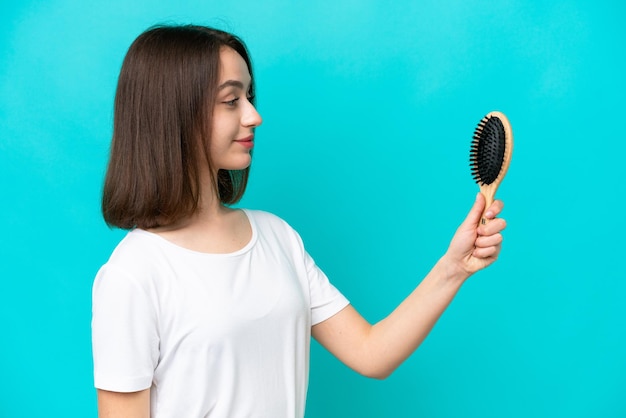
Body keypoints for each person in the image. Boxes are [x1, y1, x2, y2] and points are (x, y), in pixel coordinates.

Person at [92, 24, 507, 418]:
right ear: (175, 113)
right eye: (231, 100)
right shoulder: (133, 274)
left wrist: (454, 268)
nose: (254, 116)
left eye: (250, 97)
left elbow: (371, 352)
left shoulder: (276, 236)